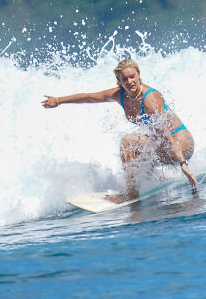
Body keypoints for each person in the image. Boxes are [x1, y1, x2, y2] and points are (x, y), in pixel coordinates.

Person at [42, 58, 197, 200]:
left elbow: (166, 134)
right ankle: (149, 186)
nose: (129, 81)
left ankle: (131, 194)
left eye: (132, 77)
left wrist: (183, 163)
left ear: (138, 75)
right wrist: (59, 100)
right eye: (125, 79)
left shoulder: (150, 98)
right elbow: (90, 97)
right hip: (162, 145)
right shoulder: (120, 95)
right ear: (119, 81)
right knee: (136, 147)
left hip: (181, 143)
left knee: (128, 142)